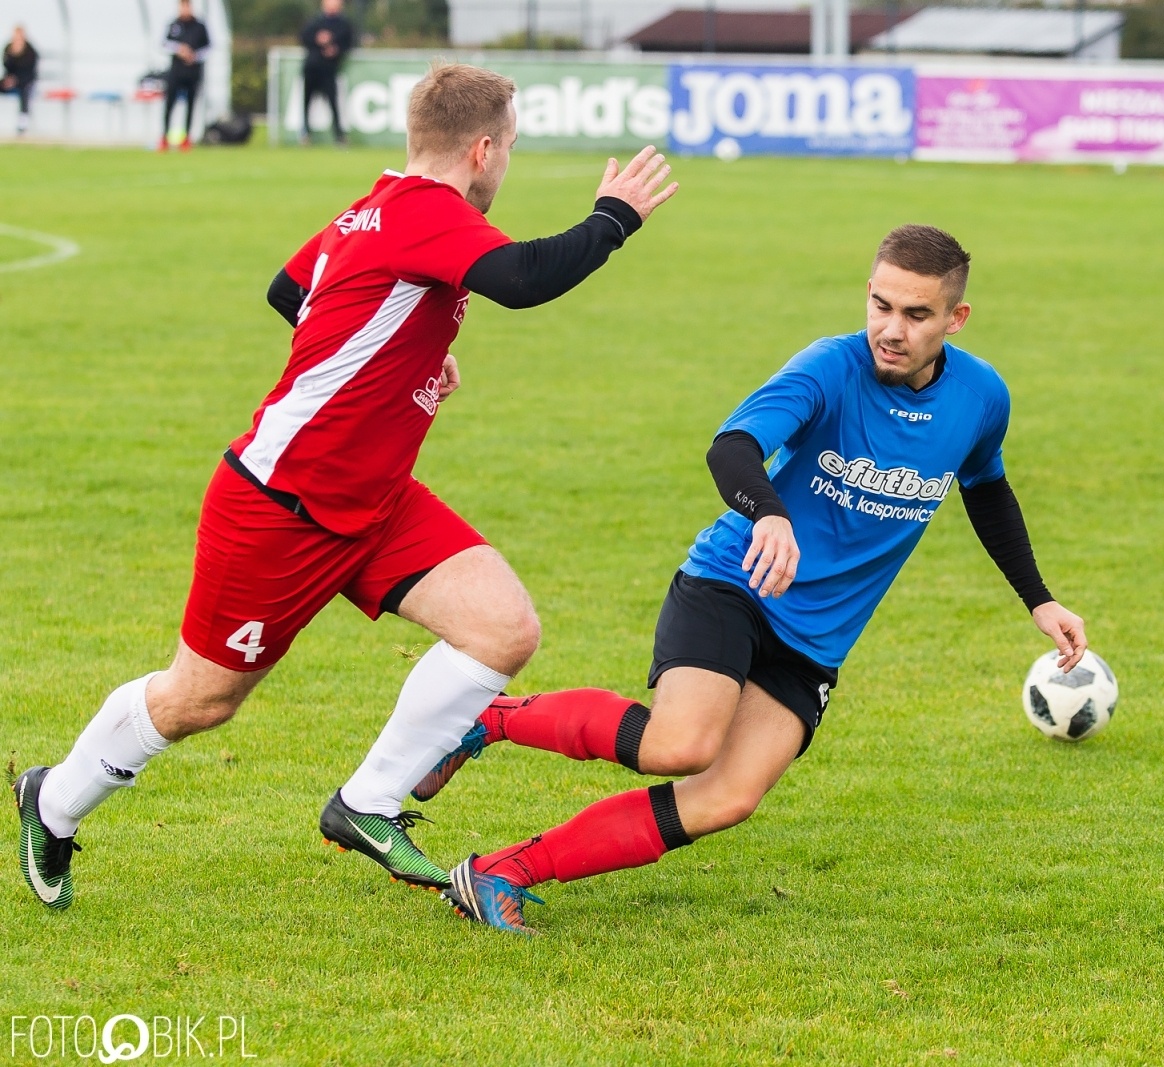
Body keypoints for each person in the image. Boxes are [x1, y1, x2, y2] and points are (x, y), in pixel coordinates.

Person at [12, 64, 679, 912]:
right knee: (200, 697)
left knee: (501, 627)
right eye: (508, 147)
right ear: (482, 150)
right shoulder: (424, 210)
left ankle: (367, 801)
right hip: (279, 508)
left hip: (374, 498)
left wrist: (399, 355)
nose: (505, 162)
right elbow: (522, 279)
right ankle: (54, 799)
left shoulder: (371, 207)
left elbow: (289, 290)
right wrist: (613, 217)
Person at [412, 225, 1091, 935]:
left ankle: (501, 871)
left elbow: (986, 488)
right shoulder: (831, 367)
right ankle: (488, 719)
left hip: (817, 639)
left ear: (956, 319)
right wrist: (769, 513)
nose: (891, 330)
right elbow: (732, 448)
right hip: (734, 585)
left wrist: (1039, 600)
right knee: (680, 744)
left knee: (728, 796)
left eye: (916, 315)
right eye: (880, 305)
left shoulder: (982, 397)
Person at [300, 0, 355, 146]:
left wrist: (336, 50)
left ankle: (339, 136)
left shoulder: (344, 24)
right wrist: (317, 39)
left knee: (333, 103)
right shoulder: (315, 22)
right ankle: (305, 133)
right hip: (311, 68)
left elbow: (349, 44)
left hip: (329, 70)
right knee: (306, 102)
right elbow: (303, 37)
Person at [160, 0, 211, 151]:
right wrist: (179, 49)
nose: (185, 9)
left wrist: (195, 55)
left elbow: (209, 47)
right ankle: (164, 137)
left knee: (191, 105)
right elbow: (163, 43)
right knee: (169, 104)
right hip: (176, 71)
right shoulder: (173, 24)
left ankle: (187, 138)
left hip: (193, 72)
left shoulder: (200, 26)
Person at [1, 25, 37, 135]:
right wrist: (13, 53)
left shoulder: (30, 50)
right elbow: (7, 66)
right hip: (10, 80)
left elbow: (29, 70)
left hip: (25, 81)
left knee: (25, 91)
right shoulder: (8, 48)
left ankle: (22, 124)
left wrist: (16, 80)